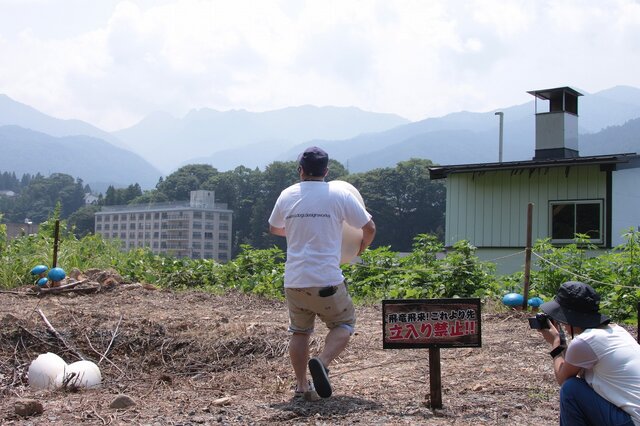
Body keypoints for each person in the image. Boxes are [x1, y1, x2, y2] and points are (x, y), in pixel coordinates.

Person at [268, 146, 376, 401]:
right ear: (326, 171)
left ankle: (301, 386)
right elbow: (369, 227)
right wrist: (361, 246)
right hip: (327, 280)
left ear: (301, 171)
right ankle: (322, 361)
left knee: (300, 331)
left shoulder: (287, 194)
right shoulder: (339, 195)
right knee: (344, 323)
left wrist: (297, 230)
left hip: (294, 281)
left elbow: (274, 228)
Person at [535, 281, 640, 425]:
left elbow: (563, 378)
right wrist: (563, 343)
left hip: (632, 421)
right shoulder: (617, 330)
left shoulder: (586, 341)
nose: (562, 323)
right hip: (630, 415)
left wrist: (555, 343)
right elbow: (575, 367)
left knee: (571, 388)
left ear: (570, 316)